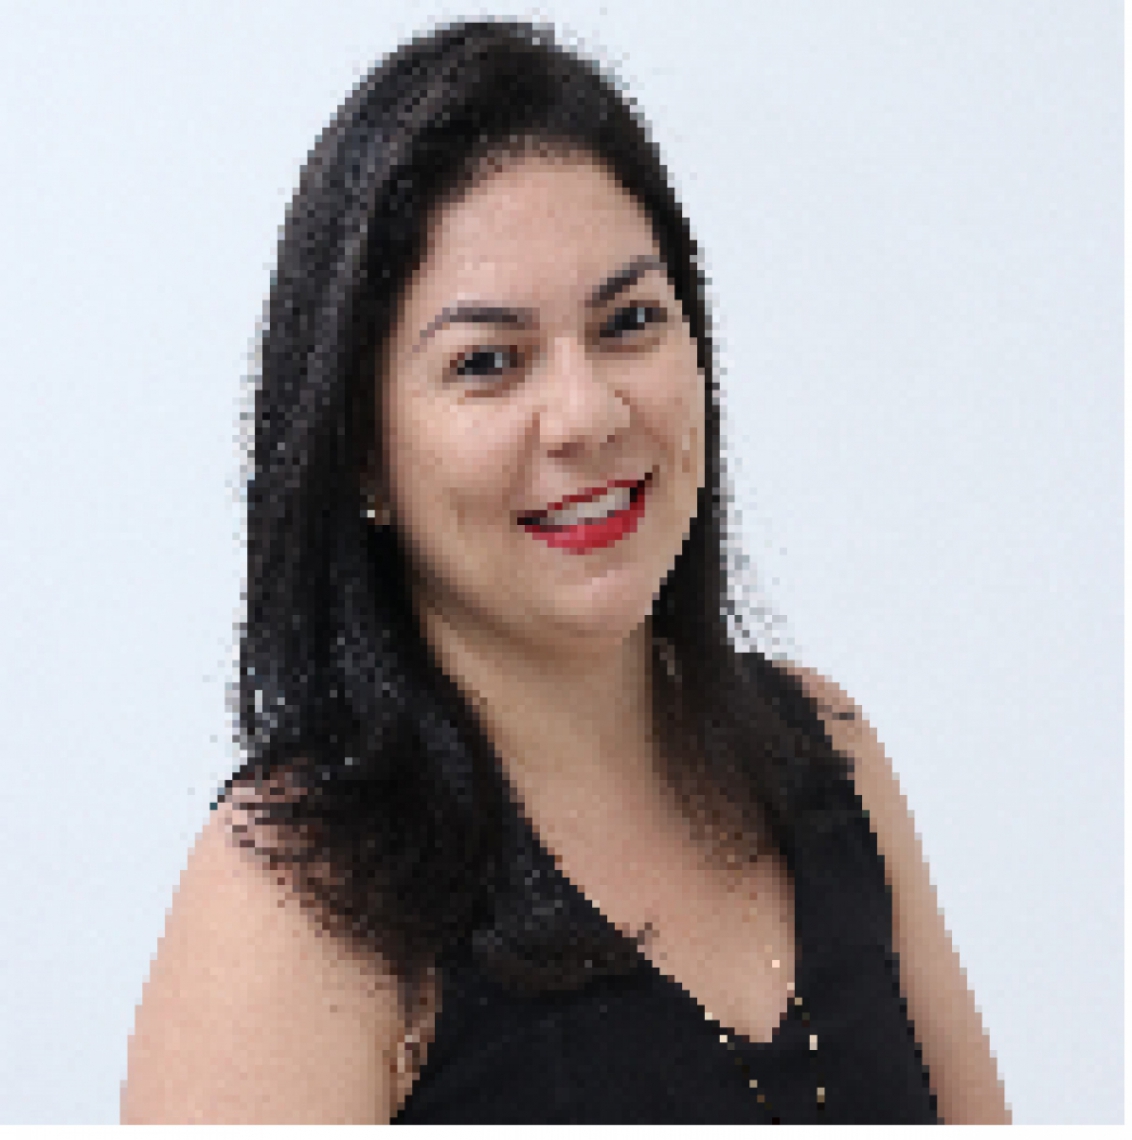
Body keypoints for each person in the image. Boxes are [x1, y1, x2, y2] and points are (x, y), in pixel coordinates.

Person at [121, 19, 1009, 1124]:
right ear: (362, 452)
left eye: (628, 321)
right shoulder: (300, 900)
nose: (587, 415)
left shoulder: (828, 758)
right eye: (488, 362)